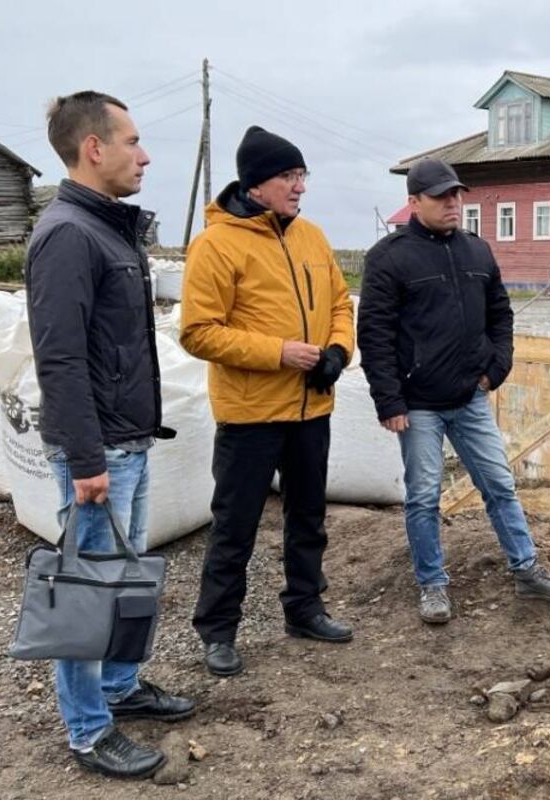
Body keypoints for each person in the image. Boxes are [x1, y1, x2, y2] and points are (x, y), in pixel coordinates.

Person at [26, 90, 194, 779]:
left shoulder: (105, 229)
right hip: (99, 452)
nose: (144, 154)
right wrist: (87, 459)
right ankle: (88, 730)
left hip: (129, 439)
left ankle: (121, 688)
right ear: (93, 148)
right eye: (131, 141)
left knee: (122, 581)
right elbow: (59, 356)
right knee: (86, 591)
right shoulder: (69, 233)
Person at [357, 158, 550, 625]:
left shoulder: (478, 251)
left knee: (499, 484)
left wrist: (495, 368)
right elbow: (374, 333)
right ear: (414, 202)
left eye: (456, 194)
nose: (453, 203)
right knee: (423, 497)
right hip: (418, 405)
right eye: (441, 196)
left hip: (469, 397)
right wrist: (389, 400)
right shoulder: (390, 257)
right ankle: (433, 584)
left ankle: (527, 569)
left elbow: (501, 314)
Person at [181, 126, 355, 678]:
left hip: (311, 409)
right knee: (235, 526)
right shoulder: (216, 244)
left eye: (302, 175)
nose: (300, 186)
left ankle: (305, 609)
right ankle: (217, 631)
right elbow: (198, 332)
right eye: (289, 176)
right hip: (251, 415)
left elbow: (340, 304)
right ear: (257, 183)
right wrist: (278, 352)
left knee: (309, 518)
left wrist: (337, 350)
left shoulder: (313, 238)